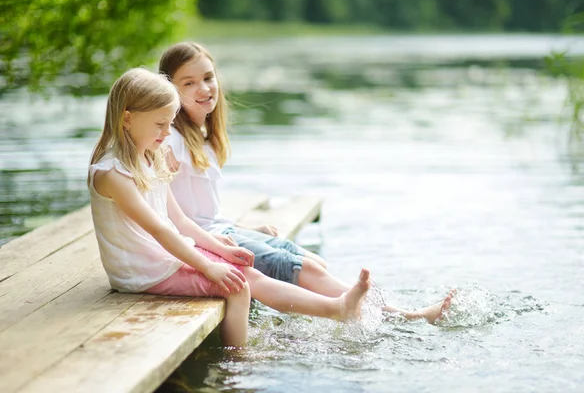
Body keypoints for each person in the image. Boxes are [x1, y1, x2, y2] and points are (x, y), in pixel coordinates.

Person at [158, 42, 453, 324]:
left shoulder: (203, 137)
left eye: (208, 78)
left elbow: (200, 209)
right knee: (306, 268)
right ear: (169, 91)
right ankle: (401, 316)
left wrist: (247, 229)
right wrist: (158, 149)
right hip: (202, 242)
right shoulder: (171, 138)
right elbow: (169, 205)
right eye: (189, 83)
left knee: (314, 262)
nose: (204, 88)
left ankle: (379, 311)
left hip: (220, 230)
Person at [88, 68, 374, 347]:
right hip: (142, 270)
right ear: (127, 118)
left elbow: (180, 220)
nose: (167, 133)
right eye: (160, 124)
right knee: (238, 288)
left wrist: (222, 251)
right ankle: (237, 364)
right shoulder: (113, 174)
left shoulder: (151, 155)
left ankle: (337, 308)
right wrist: (208, 266)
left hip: (162, 257)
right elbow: (161, 230)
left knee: (246, 272)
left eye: (170, 123)